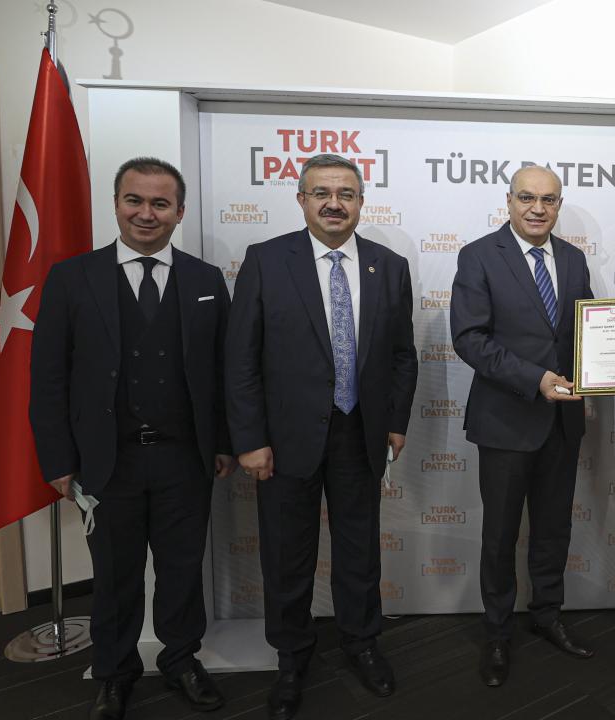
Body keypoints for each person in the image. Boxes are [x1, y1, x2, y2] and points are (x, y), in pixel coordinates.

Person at [30, 157, 233, 719]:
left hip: (184, 459)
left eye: (160, 203)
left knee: (181, 571)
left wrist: (223, 441)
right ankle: (115, 673)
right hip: (107, 461)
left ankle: (181, 660)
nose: (147, 213)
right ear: (116, 204)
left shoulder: (205, 280)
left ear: (179, 212)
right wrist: (57, 459)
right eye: (135, 201)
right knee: (115, 577)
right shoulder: (72, 278)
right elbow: (48, 377)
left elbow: (221, 372)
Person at [225, 153, 418, 720]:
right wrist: (250, 438)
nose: (334, 204)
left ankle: (362, 643)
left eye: (346, 194)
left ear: (361, 202)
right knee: (287, 555)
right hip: (284, 441)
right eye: (322, 193)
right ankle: (291, 658)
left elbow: (402, 354)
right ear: (302, 200)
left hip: (360, 433)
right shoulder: (266, 260)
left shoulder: (389, 265)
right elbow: (241, 359)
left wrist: (395, 422)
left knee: (360, 552)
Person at [450, 165, 595, 687]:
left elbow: (584, 332)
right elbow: (470, 338)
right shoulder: (479, 256)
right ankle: (497, 632)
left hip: (562, 422)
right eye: (527, 198)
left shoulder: (573, 259)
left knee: (553, 529)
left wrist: (609, 366)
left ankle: (548, 614)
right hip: (506, 420)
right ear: (508, 201)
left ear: (559, 205)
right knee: (500, 535)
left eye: (548, 200)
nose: (538, 208)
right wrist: (535, 380)